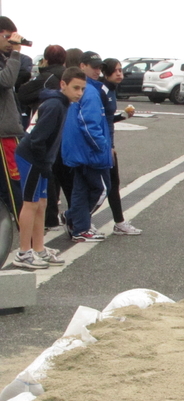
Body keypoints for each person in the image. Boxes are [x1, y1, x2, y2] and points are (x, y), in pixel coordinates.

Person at [12, 67, 85, 269]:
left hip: (43, 160)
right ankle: (23, 253)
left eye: (82, 89)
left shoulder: (63, 104)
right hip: (32, 158)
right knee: (30, 203)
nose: (79, 92)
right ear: (63, 84)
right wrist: (43, 165)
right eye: (75, 88)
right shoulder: (54, 105)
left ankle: (39, 249)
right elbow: (36, 140)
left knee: (42, 203)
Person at [62, 51, 113, 242]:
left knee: (80, 189)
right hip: (90, 152)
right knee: (100, 189)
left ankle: (76, 223)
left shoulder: (85, 89)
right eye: (94, 67)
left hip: (78, 151)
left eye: (100, 68)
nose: (98, 71)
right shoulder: (90, 91)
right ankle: (79, 223)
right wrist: (102, 146)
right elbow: (89, 123)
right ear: (82, 66)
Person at [99, 58, 141, 235]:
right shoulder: (101, 91)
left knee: (113, 183)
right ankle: (74, 219)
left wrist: (122, 116)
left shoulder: (111, 90)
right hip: (103, 144)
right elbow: (99, 121)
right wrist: (107, 144)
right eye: (115, 70)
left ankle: (119, 222)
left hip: (108, 143)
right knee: (102, 187)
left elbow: (108, 118)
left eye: (120, 70)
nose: (119, 73)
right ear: (106, 72)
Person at [0, 17, 25, 225]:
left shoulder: (3, 57)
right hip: (3, 134)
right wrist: (16, 53)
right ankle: (28, 243)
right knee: (13, 184)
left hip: (7, 130)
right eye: (7, 37)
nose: (11, 42)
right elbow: (6, 80)